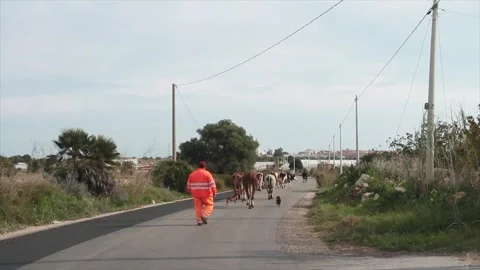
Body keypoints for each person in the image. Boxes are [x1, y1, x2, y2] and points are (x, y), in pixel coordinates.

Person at [186, 161, 217, 226]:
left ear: (198, 167)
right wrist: (214, 192)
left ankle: (199, 221)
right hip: (206, 194)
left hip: (196, 195)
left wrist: (190, 191)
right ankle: (204, 215)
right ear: (205, 167)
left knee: (198, 208)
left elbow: (188, 186)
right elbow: (212, 184)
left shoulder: (192, 174)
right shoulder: (207, 174)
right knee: (210, 205)